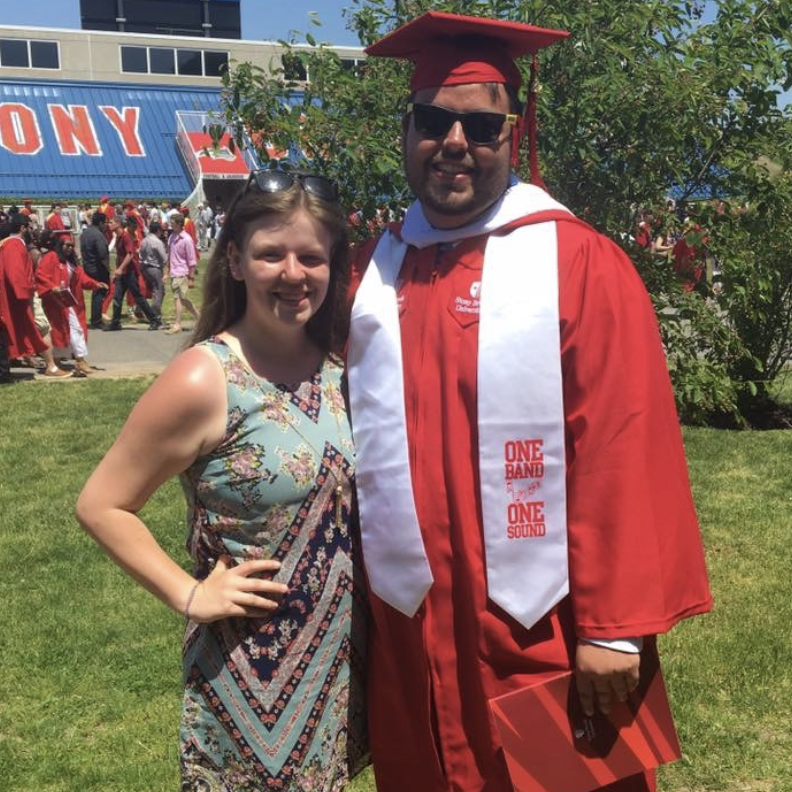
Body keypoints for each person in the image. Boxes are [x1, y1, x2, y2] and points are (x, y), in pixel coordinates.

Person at [346, 12, 713, 792]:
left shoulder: (577, 262)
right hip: (414, 632)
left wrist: (616, 628)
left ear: (514, 131)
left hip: (542, 627)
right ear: (405, 129)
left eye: (480, 124)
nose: (454, 142)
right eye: (432, 120)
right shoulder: (375, 273)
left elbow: (624, 442)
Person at [76, 168, 368, 790]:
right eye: (271, 254)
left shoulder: (343, 369)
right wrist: (190, 595)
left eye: (311, 256)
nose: (293, 273)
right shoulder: (206, 377)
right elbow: (102, 504)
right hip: (247, 675)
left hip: (334, 672)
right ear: (234, 260)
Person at [0, 214, 69, 377]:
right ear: (23, 228)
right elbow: (15, 273)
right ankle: (51, 366)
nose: (34, 230)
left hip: (17, 295)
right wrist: (25, 294)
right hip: (22, 295)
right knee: (42, 326)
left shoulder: (10, 244)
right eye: (31, 227)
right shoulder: (14, 245)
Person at [36, 231, 107, 376]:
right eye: (67, 245)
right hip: (55, 301)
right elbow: (40, 275)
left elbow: (81, 278)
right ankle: (75, 360)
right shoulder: (51, 257)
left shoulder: (71, 262)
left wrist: (95, 284)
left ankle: (69, 359)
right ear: (60, 245)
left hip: (69, 302)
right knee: (62, 331)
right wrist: (52, 287)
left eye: (72, 246)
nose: (69, 248)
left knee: (74, 330)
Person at [106, 216, 160, 331]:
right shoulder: (118, 237)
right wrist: (118, 270)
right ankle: (115, 322)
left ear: (118, 224)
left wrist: (120, 268)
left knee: (138, 297)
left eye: (111, 222)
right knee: (117, 297)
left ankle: (154, 320)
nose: (108, 224)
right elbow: (120, 256)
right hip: (122, 274)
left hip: (129, 273)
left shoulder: (126, 237)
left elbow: (130, 254)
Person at [164, 213, 199, 334]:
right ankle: (200, 319)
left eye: (172, 222)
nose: (170, 224)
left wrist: (191, 278)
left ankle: (177, 324)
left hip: (183, 273)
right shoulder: (171, 237)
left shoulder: (187, 240)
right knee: (182, 299)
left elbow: (192, 260)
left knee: (178, 298)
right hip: (174, 272)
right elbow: (170, 256)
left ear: (179, 224)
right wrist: (166, 273)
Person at [80, 212, 111, 328]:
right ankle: (96, 320)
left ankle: (95, 318)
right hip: (98, 268)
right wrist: (107, 268)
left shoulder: (85, 233)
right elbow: (102, 254)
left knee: (96, 292)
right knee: (99, 292)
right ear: (101, 223)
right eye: (105, 223)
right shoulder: (98, 235)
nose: (106, 225)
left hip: (88, 265)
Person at [138, 221, 167, 326]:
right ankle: (155, 315)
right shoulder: (157, 242)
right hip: (155, 267)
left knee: (153, 290)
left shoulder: (144, 240)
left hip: (145, 268)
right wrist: (166, 272)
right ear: (158, 230)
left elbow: (140, 255)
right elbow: (164, 258)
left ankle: (146, 311)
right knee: (159, 291)